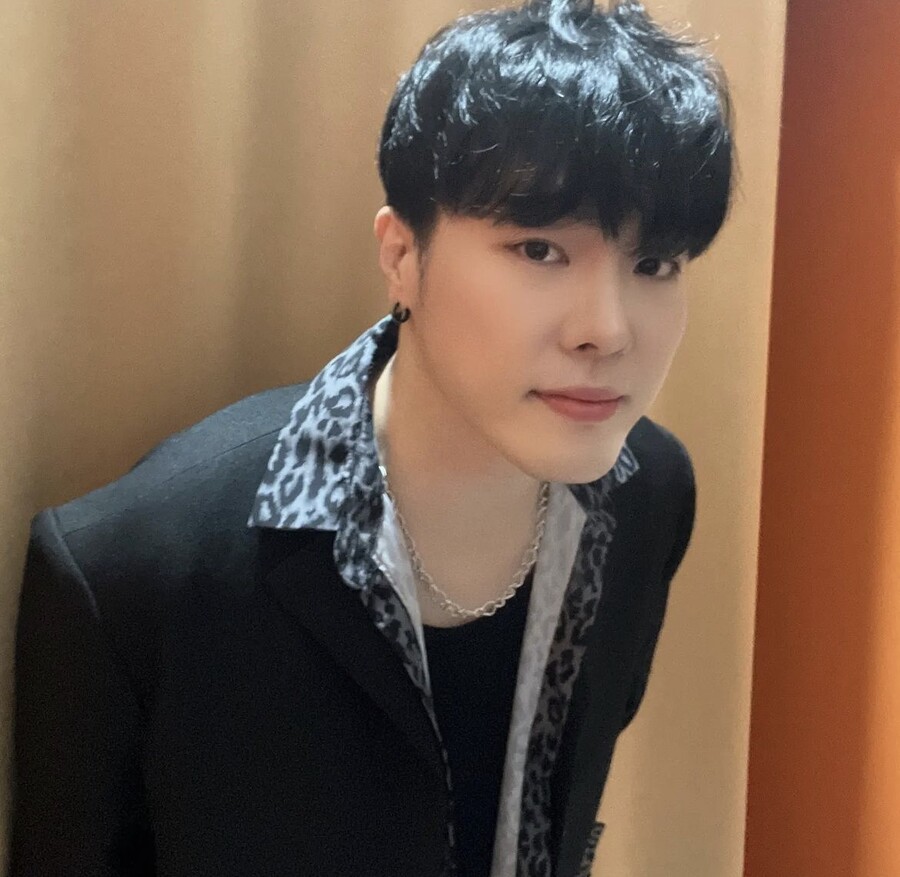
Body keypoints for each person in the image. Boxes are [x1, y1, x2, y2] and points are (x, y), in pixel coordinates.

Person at [7, 0, 734, 874]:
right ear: (401, 256)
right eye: (539, 250)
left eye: (654, 264)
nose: (607, 331)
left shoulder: (650, 492)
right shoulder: (131, 570)